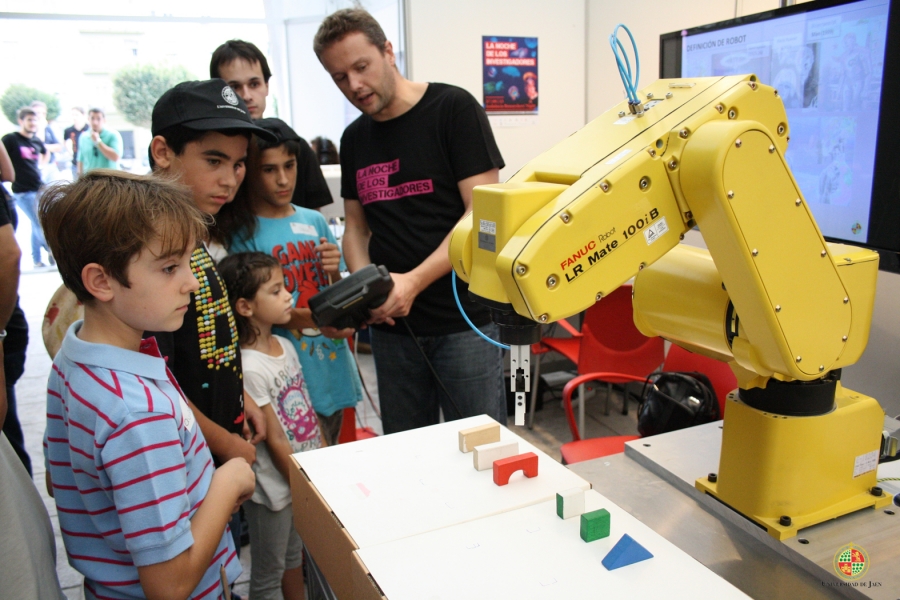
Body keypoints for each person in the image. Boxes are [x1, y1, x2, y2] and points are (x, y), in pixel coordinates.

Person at [39, 170, 256, 599]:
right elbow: (169, 586)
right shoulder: (135, 413)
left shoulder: (76, 354)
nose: (192, 283)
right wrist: (229, 478)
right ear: (101, 281)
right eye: (169, 267)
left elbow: (59, 479)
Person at [314, 8, 507, 433]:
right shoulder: (354, 138)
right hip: (393, 330)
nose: (354, 86)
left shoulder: (452, 109)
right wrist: (367, 287)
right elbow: (356, 228)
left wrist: (413, 282)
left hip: (465, 324)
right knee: (406, 454)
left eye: (361, 67)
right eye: (339, 77)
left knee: (479, 449)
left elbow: (482, 218)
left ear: (388, 51)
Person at [148, 78, 275, 553]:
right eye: (214, 161)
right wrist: (226, 441)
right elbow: (157, 384)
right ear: (163, 151)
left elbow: (204, 343)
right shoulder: (152, 254)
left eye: (239, 164)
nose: (230, 179)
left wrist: (237, 397)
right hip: (181, 462)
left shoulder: (191, 236)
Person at [222, 118, 362, 445]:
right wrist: (325, 317)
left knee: (332, 456)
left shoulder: (314, 220)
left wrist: (334, 273)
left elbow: (336, 290)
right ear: (249, 172)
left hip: (330, 364)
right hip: (284, 373)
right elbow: (252, 310)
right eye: (269, 169)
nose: (283, 179)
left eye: (290, 165)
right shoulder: (242, 234)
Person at [219, 251, 322, 600]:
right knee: (268, 571)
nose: (288, 296)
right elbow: (275, 437)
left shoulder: (284, 344)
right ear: (245, 307)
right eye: (276, 291)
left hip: (301, 476)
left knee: (294, 557)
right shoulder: (248, 366)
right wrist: (305, 481)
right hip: (275, 490)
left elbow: (304, 409)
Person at [210, 39, 334, 211]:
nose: (246, 95)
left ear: (266, 86)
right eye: (234, 87)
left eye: (254, 84)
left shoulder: (296, 146)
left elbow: (313, 221)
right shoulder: (210, 151)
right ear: (218, 93)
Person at [2, 106, 53, 269]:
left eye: (35, 120)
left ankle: (37, 259)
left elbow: (46, 152)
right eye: (29, 119)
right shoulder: (11, 139)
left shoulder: (36, 141)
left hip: (38, 187)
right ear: (21, 121)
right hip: (22, 191)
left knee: (35, 223)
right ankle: (53, 251)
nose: (32, 123)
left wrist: (41, 165)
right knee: (39, 222)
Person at [76, 107, 122, 175]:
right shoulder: (83, 137)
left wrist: (98, 142)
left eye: (98, 119)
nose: (95, 122)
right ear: (88, 119)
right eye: (92, 118)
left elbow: (115, 157)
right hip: (90, 179)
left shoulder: (113, 135)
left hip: (109, 179)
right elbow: (80, 160)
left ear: (104, 120)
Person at [30, 100, 64, 177]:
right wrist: (41, 128)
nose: (41, 116)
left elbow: (59, 147)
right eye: (38, 113)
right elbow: (37, 146)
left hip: (50, 165)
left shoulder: (48, 128)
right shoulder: (30, 130)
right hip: (35, 167)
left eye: (43, 113)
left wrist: (45, 148)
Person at [63, 106, 90, 178]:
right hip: (75, 163)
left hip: (89, 164)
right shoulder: (68, 130)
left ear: (83, 115)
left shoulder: (89, 129)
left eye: (76, 115)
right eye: (73, 115)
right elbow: (65, 142)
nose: (74, 117)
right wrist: (71, 153)